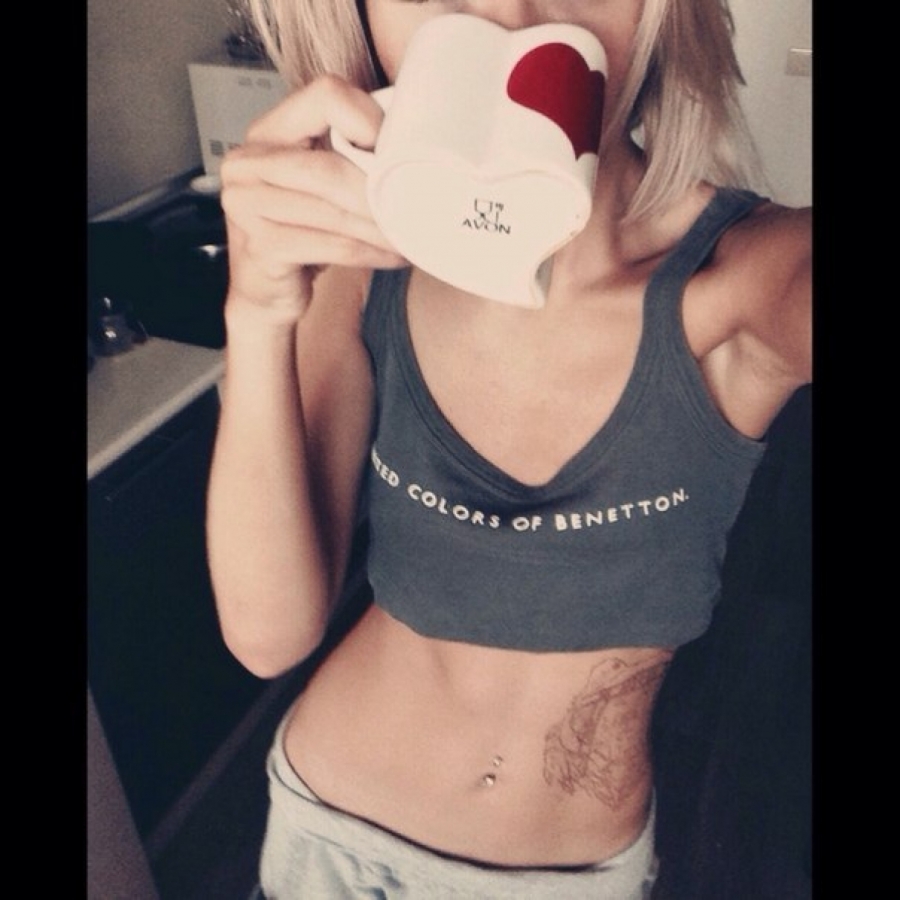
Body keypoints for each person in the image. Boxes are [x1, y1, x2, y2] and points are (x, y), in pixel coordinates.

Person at [206, 0, 812, 897]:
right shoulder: (361, 265)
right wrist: (257, 313)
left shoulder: (741, 278)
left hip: (570, 874)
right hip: (330, 835)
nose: (514, 17)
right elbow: (268, 637)